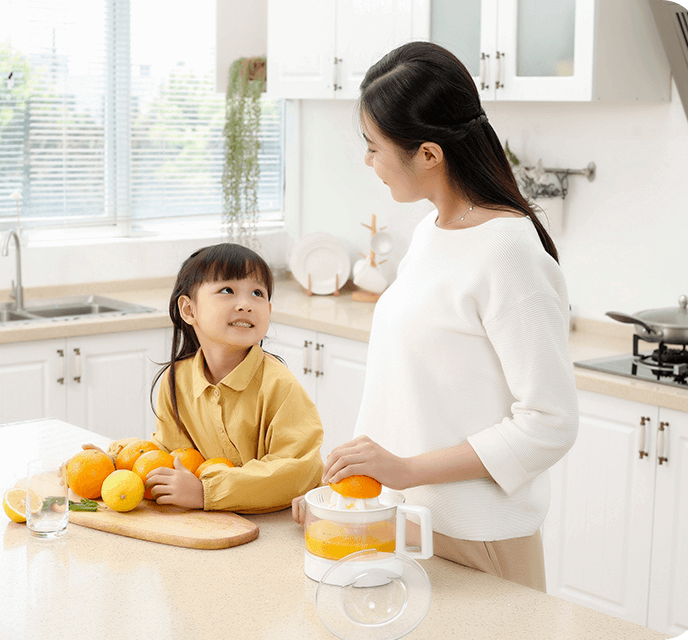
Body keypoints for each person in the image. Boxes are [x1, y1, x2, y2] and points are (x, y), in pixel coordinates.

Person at [292, 42, 578, 592]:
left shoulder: (508, 252)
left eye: (374, 147)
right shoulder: (432, 232)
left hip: (475, 540)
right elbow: (412, 390)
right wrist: (350, 495)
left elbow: (551, 424)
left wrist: (406, 471)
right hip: (401, 522)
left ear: (428, 154)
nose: (368, 161)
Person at [89, 243, 323, 514]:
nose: (246, 304)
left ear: (268, 311)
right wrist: (111, 462)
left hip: (273, 525)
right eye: (227, 290)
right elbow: (169, 452)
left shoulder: (279, 385)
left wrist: (207, 492)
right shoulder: (176, 380)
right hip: (209, 523)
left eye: (257, 293)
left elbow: (299, 470)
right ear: (189, 310)